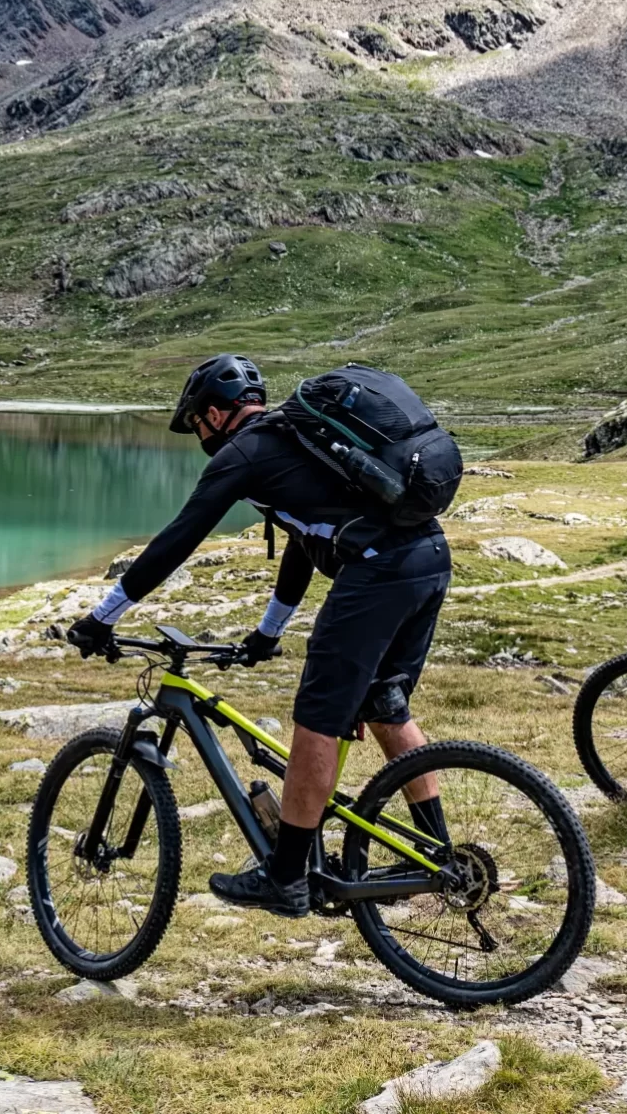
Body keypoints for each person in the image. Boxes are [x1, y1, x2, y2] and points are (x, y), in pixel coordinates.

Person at [66, 354, 452, 918]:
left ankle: (286, 875)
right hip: (428, 559)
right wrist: (267, 632)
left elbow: (179, 537)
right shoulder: (299, 442)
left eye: (197, 421)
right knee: (382, 702)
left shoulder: (244, 453)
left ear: (218, 414)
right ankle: (435, 848)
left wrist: (103, 616)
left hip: (378, 572)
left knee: (319, 715)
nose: (199, 433)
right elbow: (303, 539)